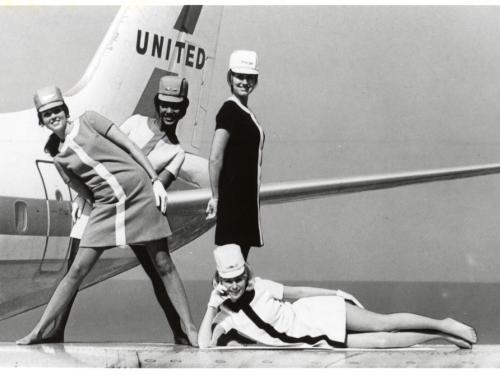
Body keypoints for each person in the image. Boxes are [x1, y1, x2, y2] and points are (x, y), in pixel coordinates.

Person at [16, 85, 198, 346]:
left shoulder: (89, 119)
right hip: (106, 206)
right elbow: (81, 188)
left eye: (57, 110)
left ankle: (189, 329)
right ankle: (39, 331)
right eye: (47, 114)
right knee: (76, 270)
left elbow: (130, 148)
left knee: (163, 265)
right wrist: (89, 201)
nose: (53, 116)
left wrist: (154, 180)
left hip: (138, 193)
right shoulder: (57, 157)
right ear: (41, 120)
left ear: (65, 110)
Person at [198, 244, 478, 349]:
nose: (235, 286)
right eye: (228, 281)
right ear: (220, 281)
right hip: (317, 340)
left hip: (318, 313)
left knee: (384, 323)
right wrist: (213, 304)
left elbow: (299, 293)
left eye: (239, 279)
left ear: (246, 276)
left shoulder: (261, 287)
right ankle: (441, 336)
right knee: (383, 341)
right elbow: (204, 346)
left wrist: (336, 293)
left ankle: (443, 323)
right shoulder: (227, 316)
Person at [206, 50, 264, 261]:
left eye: (250, 78)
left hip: (245, 201)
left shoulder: (243, 111)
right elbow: (215, 157)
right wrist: (215, 197)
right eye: (240, 76)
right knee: (231, 268)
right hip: (233, 201)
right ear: (230, 77)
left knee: (238, 265)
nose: (245, 82)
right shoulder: (230, 110)